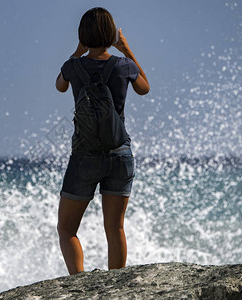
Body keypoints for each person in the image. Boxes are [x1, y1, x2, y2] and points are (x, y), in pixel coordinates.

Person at [55, 7, 150, 275]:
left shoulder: (73, 67)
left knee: (66, 229)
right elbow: (144, 88)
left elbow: (59, 85)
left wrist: (77, 52)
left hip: (84, 156)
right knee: (115, 227)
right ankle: (115, 287)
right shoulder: (124, 66)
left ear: (83, 36)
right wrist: (127, 50)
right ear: (111, 35)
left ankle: (79, 284)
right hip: (119, 154)